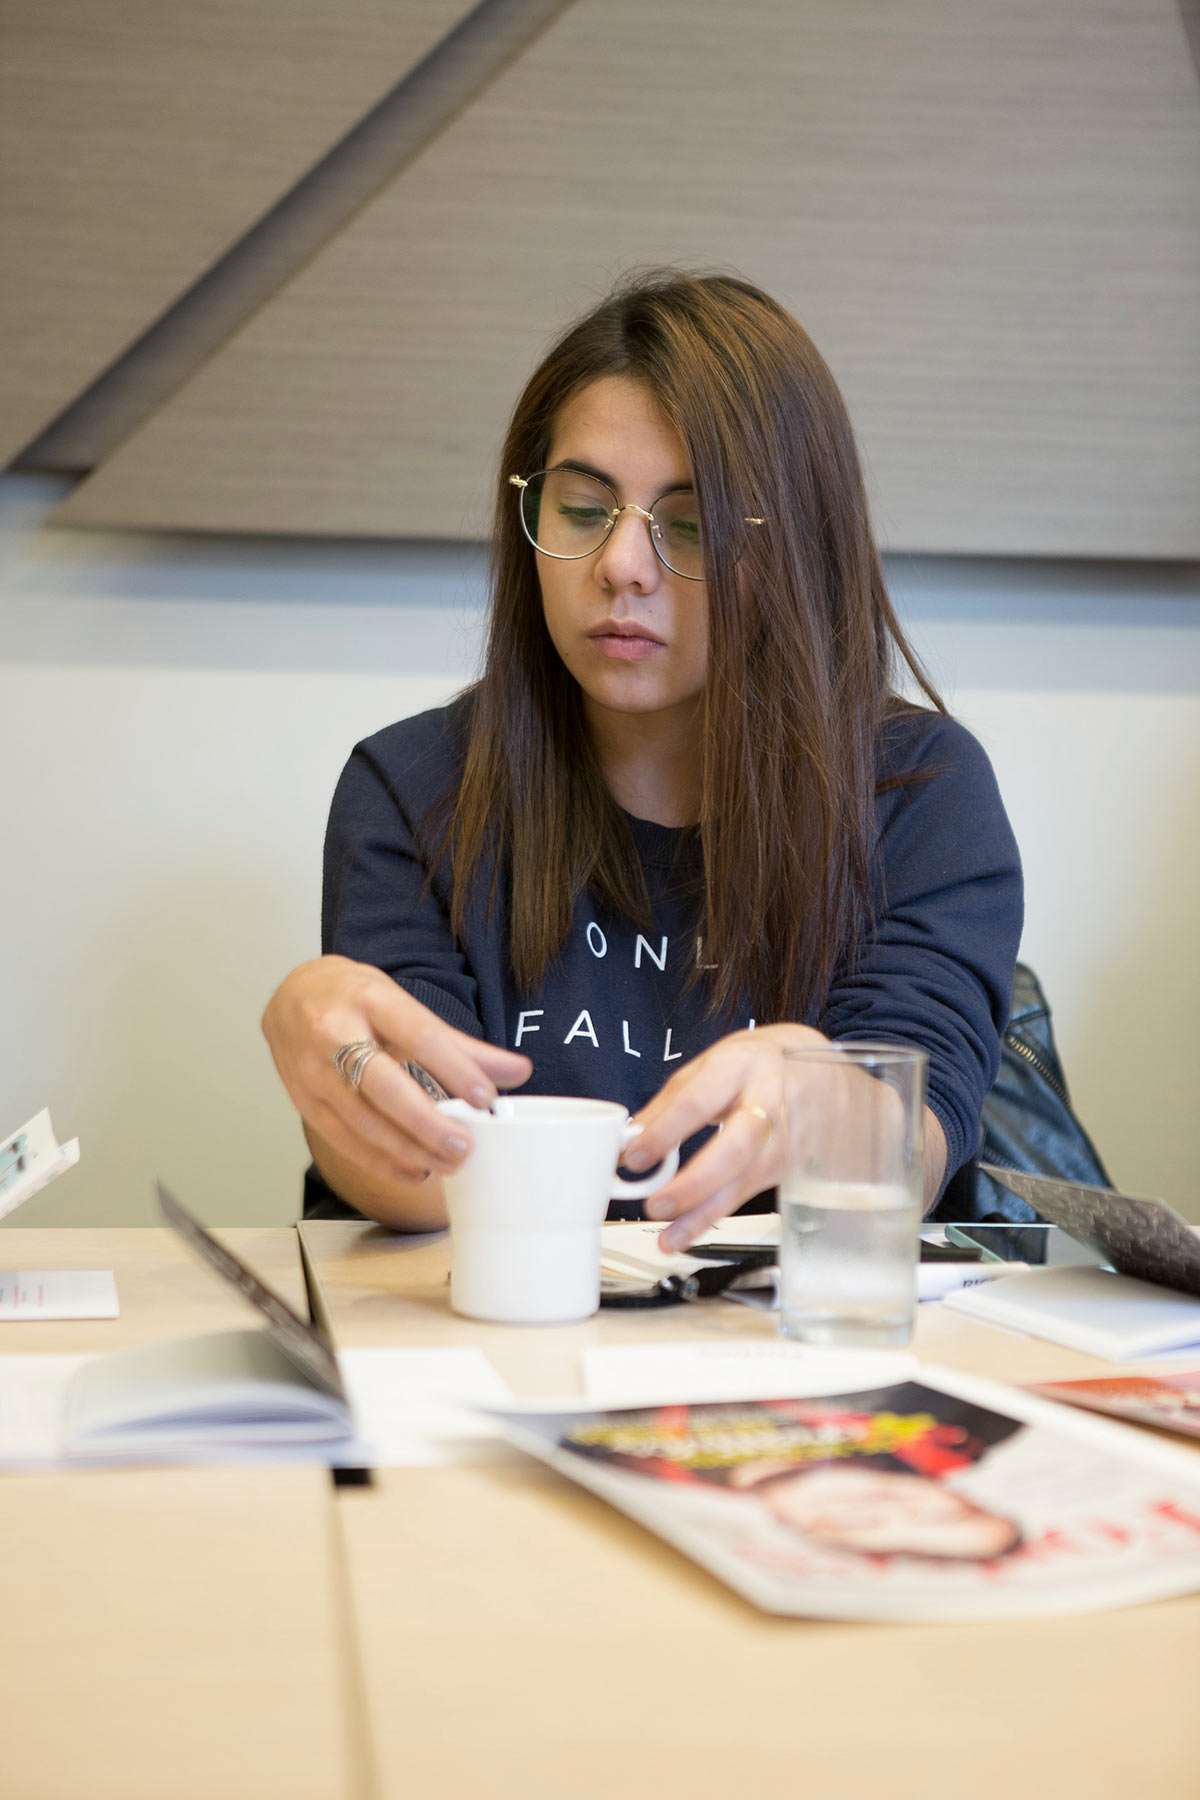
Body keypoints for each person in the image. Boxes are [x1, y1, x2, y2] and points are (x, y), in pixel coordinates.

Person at [262, 271, 1022, 1250]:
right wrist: (344, 1085)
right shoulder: (415, 788)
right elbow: (414, 1172)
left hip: (792, 1331)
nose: (621, 566)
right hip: (503, 1325)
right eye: (583, 511)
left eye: (692, 525)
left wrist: (836, 1106)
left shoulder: (918, 793)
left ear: (798, 544)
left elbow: (911, 1138)